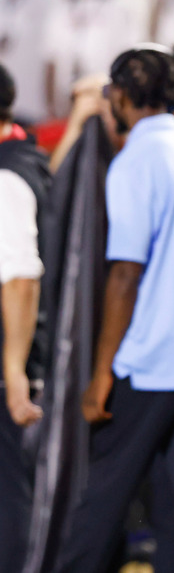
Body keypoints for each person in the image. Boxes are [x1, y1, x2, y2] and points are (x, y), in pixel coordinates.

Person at [55, 44, 174, 573]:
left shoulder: (136, 161)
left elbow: (124, 275)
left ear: (119, 95)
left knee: (103, 494)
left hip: (153, 360)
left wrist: (100, 377)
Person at [0, 61, 50, 572]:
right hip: (18, 366)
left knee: (8, 503)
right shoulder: (28, 158)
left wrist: (13, 372)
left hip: (8, 372)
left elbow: (20, 276)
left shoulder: (4, 177)